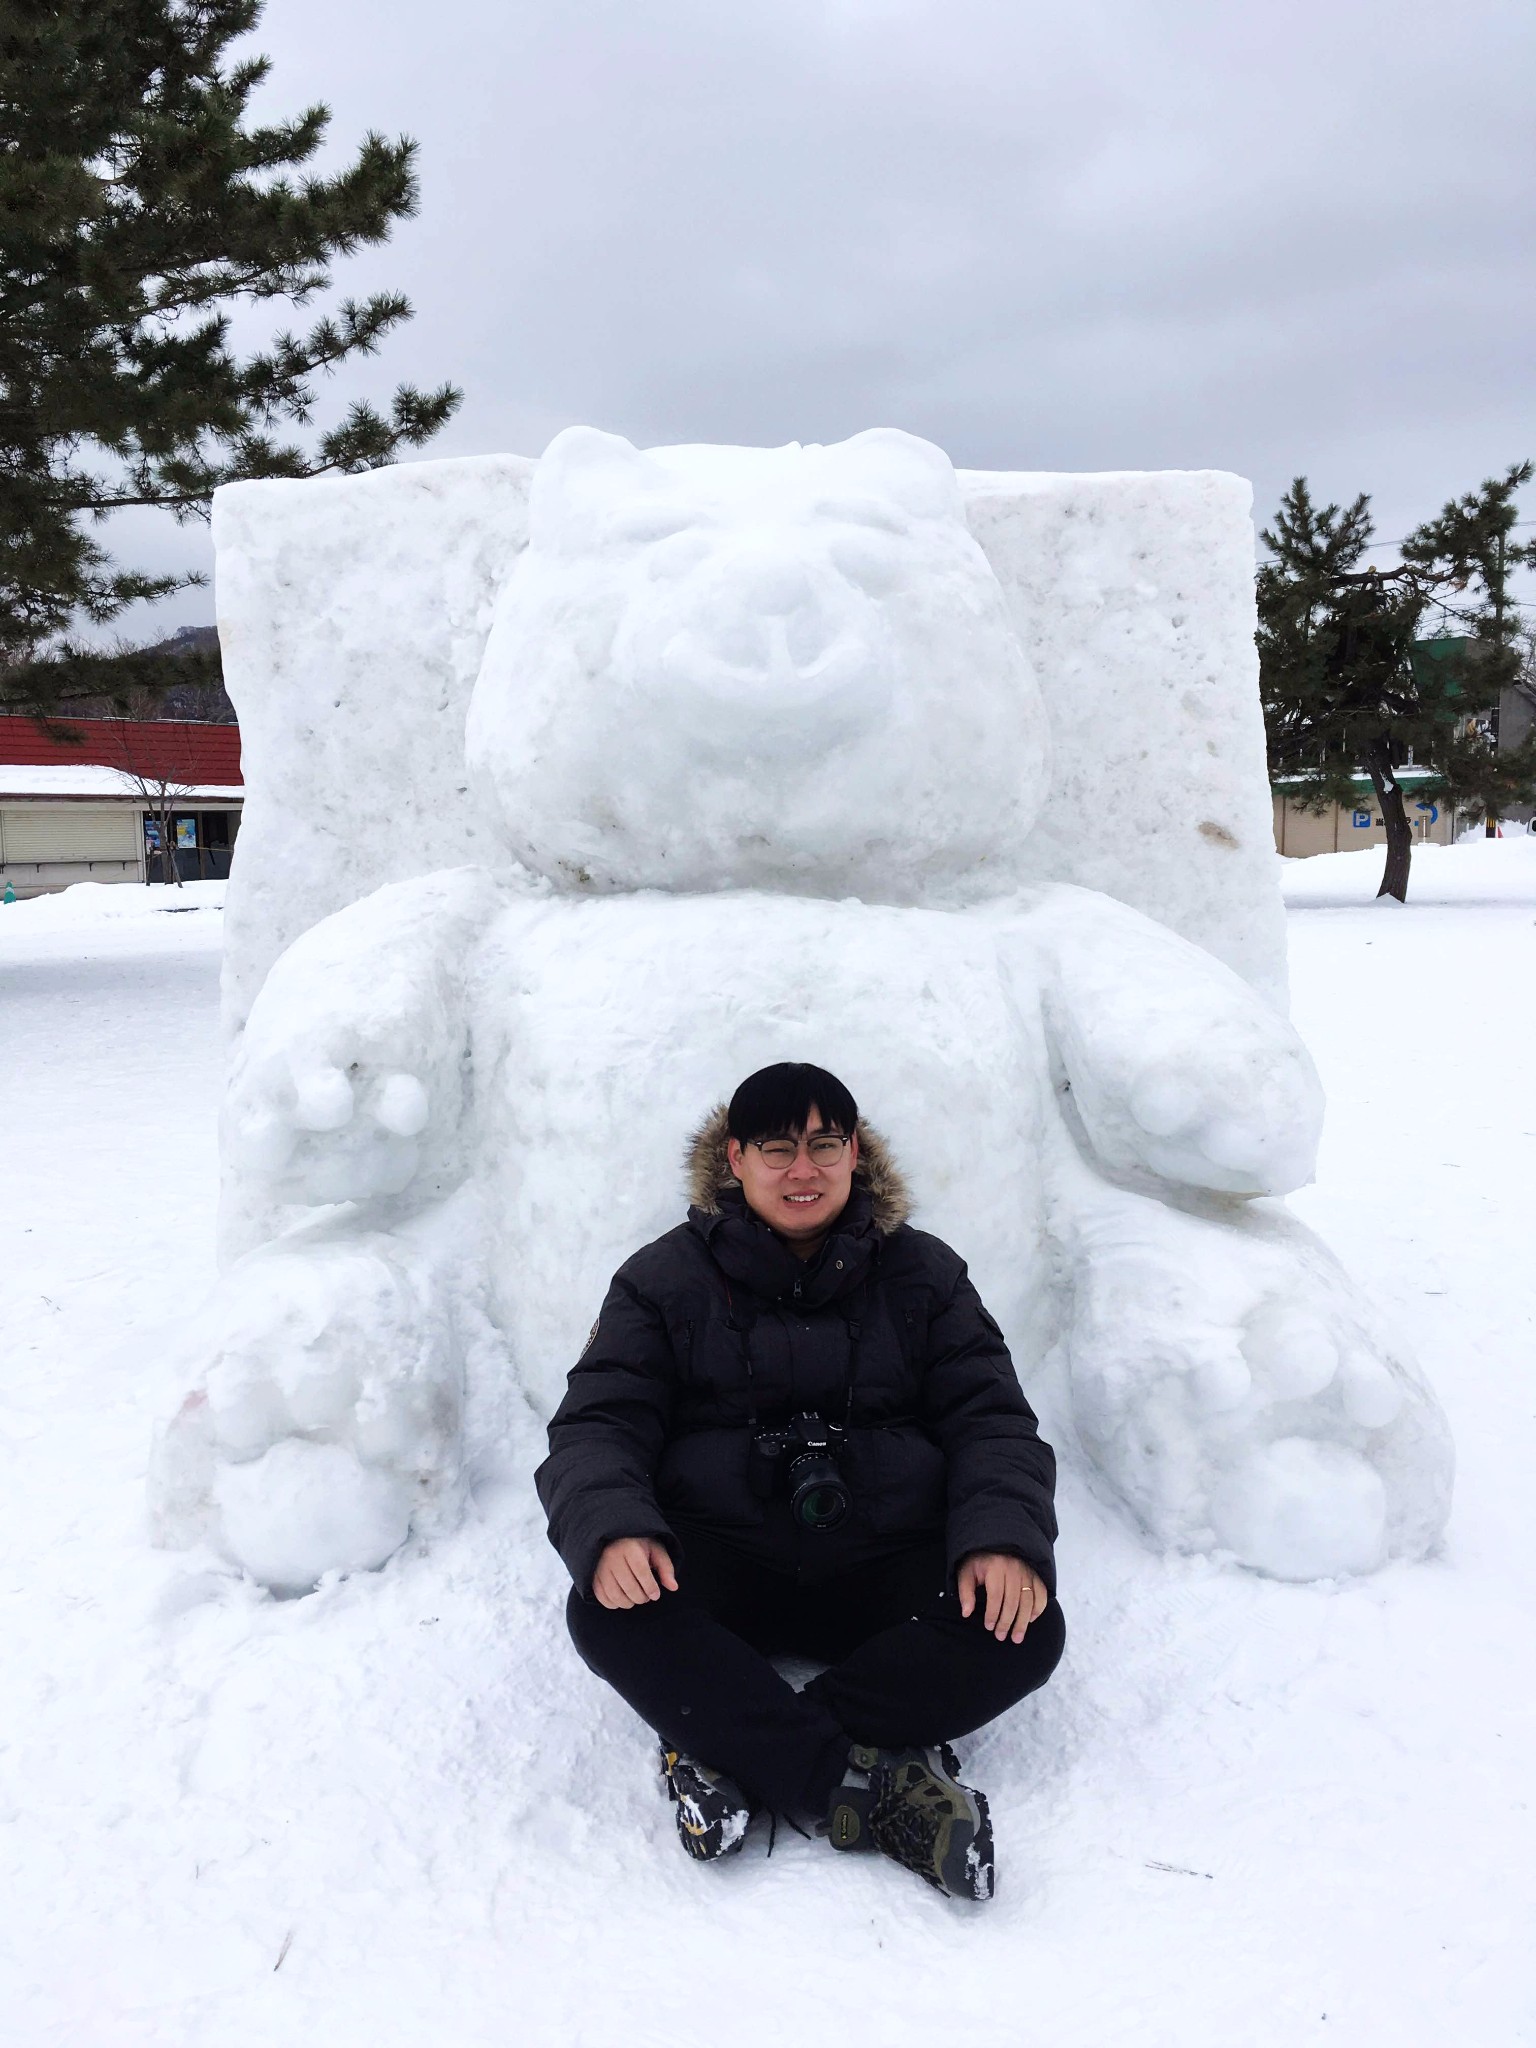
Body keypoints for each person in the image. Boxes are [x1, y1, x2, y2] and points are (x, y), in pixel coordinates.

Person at [535, 1061, 1063, 1901]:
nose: (803, 1170)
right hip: (725, 1559)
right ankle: (865, 1788)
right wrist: (614, 1526)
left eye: (824, 1145)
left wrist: (1003, 1540)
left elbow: (991, 1422)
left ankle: (725, 1740)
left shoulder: (926, 1276)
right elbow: (599, 1424)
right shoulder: (661, 1280)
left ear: (856, 1153)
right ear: (734, 1160)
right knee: (607, 1607)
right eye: (778, 1149)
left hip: (885, 1558)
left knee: (1023, 1626)